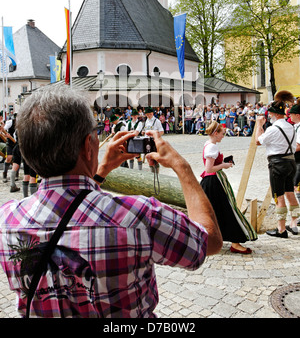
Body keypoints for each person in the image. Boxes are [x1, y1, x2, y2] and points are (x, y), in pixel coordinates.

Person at [0, 86, 222, 318]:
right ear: (88, 145)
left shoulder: (6, 221)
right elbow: (209, 241)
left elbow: (73, 209)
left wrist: (101, 169)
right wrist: (182, 167)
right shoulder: (139, 216)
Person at [200, 120, 257, 254]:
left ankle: (210, 240)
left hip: (212, 181)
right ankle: (235, 242)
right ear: (215, 133)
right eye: (222, 133)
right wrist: (224, 165)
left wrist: (222, 162)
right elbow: (209, 168)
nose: (223, 136)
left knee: (215, 212)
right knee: (227, 210)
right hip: (213, 181)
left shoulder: (209, 144)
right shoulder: (211, 147)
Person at [255, 91, 300, 237]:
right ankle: (294, 223)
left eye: (270, 114)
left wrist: (259, 125)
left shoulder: (273, 128)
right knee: (290, 193)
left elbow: (258, 141)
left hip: (277, 164)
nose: (269, 116)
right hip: (291, 162)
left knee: (279, 196)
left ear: (274, 114)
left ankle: (281, 229)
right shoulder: (291, 127)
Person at [289, 99, 300, 226]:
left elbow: (299, 146)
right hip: (296, 160)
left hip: (299, 160)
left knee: (296, 187)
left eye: (292, 114)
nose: (290, 116)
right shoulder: (295, 126)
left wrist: (286, 150)